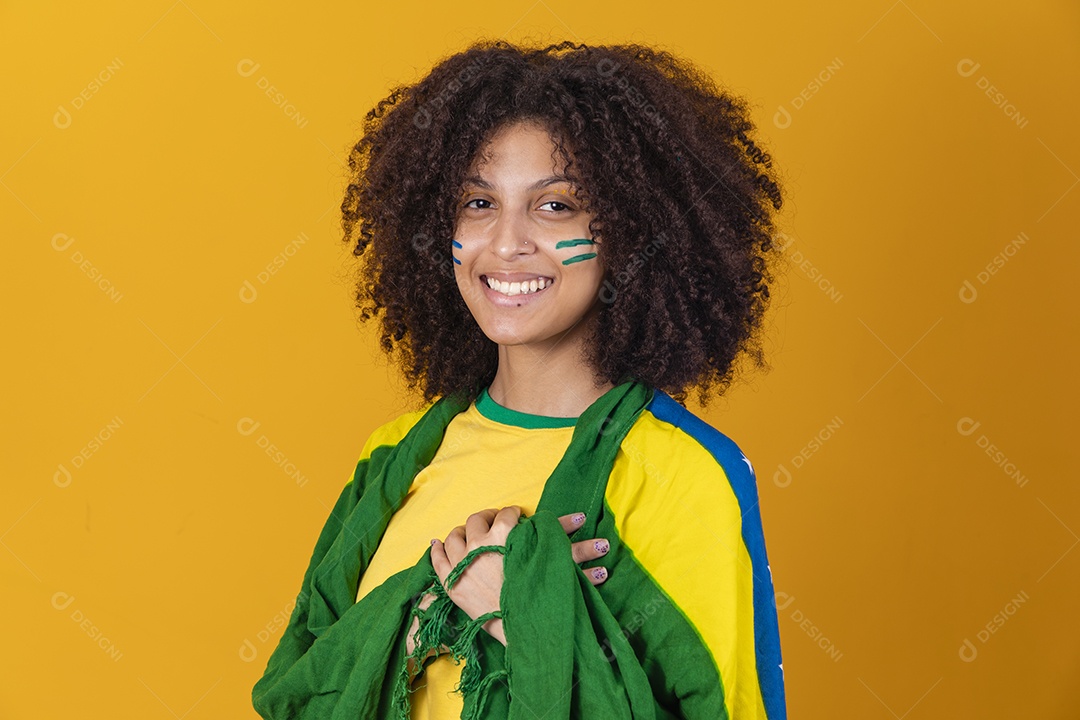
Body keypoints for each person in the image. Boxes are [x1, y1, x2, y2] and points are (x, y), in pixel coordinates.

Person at [252, 39, 787, 719]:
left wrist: (522, 618)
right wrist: (427, 619)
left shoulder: (682, 476)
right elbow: (300, 693)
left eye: (555, 206)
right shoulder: (395, 456)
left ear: (631, 230)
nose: (506, 243)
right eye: (479, 203)